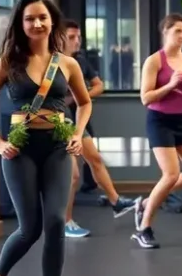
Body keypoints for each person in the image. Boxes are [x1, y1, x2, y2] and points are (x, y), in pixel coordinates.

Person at [0, 0, 90, 276]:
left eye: (42, 17)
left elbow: (83, 103)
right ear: (20, 24)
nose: (37, 24)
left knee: (55, 221)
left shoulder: (66, 63)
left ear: (52, 21)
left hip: (57, 146)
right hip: (20, 150)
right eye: (29, 19)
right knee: (30, 229)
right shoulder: (7, 62)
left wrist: (79, 134)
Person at [59, 19, 137, 239]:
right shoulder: (52, 61)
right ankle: (65, 222)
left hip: (75, 120)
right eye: (71, 37)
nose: (77, 41)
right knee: (72, 176)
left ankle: (116, 202)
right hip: (57, 123)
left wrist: (77, 98)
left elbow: (97, 86)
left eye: (79, 37)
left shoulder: (80, 61)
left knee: (94, 158)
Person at [133, 13, 182, 249]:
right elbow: (145, 98)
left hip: (181, 120)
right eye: (178, 31)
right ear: (166, 32)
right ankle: (144, 227)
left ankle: (146, 202)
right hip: (159, 120)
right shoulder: (154, 61)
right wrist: (171, 84)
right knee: (171, 174)